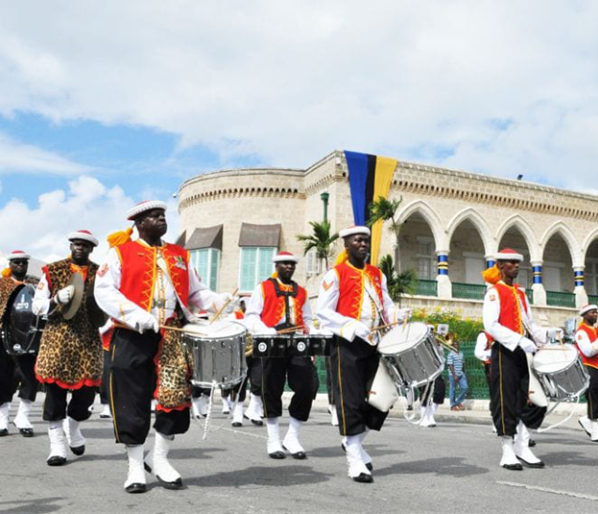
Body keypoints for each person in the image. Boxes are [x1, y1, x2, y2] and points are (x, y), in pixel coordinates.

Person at [95, 200, 235, 493]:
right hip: (131, 334)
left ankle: (159, 459)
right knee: (131, 400)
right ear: (139, 222)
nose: (161, 219)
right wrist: (137, 317)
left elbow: (196, 292)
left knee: (173, 398)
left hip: (171, 334)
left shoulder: (178, 254)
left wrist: (219, 301)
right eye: (154, 216)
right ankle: (135, 466)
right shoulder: (120, 252)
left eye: (163, 215)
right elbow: (104, 292)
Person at [316, 225, 407, 484]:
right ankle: (355, 458)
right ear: (347, 245)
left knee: (383, 397)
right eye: (358, 240)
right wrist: (351, 326)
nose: (364, 244)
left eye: (366, 240)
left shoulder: (378, 275)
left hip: (376, 342)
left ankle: (352, 441)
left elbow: (386, 304)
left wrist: (396, 316)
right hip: (348, 344)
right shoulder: (336, 274)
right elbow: (323, 310)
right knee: (352, 400)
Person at [482, 248, 562, 471]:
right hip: (503, 352)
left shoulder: (520, 294)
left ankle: (522, 444)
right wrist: (518, 340)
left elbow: (529, 324)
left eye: (518, 263)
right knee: (506, 400)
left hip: (522, 353)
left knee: (533, 400)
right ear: (500, 266)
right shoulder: (493, 292)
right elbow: (491, 325)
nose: (516, 266)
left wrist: (547, 334)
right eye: (511, 263)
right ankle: (507, 450)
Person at [32, 230, 106, 466]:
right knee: (54, 395)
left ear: (91, 249)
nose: (79, 248)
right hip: (57, 341)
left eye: (84, 245)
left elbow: (108, 304)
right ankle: (57, 446)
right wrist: (55, 300)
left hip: (88, 342)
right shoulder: (52, 270)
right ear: (70, 245)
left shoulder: (100, 273)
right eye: (76, 244)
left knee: (85, 396)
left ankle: (73, 428)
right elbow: (36, 306)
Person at [244, 251, 317, 459]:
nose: (289, 267)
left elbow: (308, 319)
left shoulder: (301, 292)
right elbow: (251, 316)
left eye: (292, 264)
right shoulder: (263, 287)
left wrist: (311, 335)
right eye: (285, 264)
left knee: (307, 386)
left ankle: (292, 436)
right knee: (271, 388)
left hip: (297, 343)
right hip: (271, 342)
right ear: (276, 266)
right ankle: (273, 439)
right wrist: (266, 330)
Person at [0, 250, 38, 437]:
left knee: (30, 377)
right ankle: (2, 419)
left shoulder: (35, 285)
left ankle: (22, 416)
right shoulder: (1, 285)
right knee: (3, 378)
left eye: (23, 262)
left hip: (28, 337)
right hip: (3, 337)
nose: (21, 266)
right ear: (10, 265)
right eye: (17, 262)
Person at [574, 304, 598, 443]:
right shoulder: (581, 332)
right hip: (589, 367)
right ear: (584, 315)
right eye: (592, 313)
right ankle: (594, 428)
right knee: (593, 397)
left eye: (596, 312)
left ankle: (587, 419)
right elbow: (588, 351)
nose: (595, 315)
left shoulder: (597, 330)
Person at [446, 334, 468, 411]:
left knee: (465, 388)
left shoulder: (461, 353)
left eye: (457, 344)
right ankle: (453, 405)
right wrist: (454, 375)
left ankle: (458, 402)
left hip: (461, 374)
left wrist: (464, 373)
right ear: (452, 346)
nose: (456, 346)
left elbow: (463, 363)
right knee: (452, 389)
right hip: (453, 375)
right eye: (454, 344)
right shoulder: (450, 354)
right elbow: (450, 365)